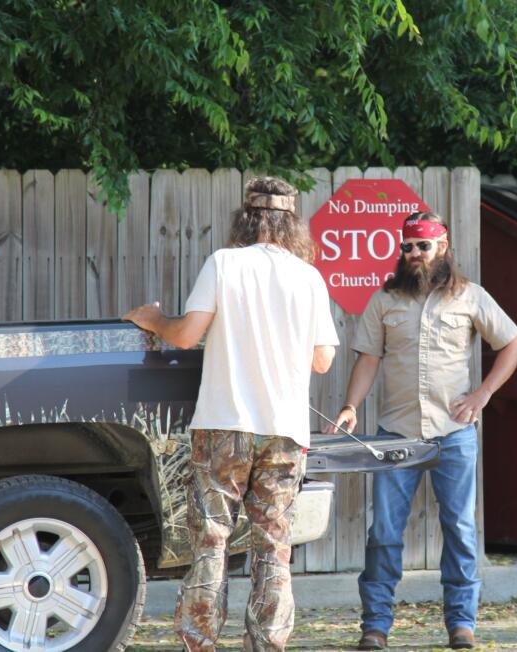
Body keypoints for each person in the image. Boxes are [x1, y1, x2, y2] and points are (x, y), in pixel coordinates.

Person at [123, 177, 339, 652]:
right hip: (284, 431)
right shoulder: (310, 277)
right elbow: (323, 360)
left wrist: (152, 319)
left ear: (246, 217)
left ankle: (199, 643)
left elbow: (184, 336)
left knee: (210, 542)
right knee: (274, 548)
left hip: (223, 425)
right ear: (292, 222)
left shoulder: (224, 263)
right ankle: (267, 645)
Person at [325, 211, 517, 650]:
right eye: (408, 247)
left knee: (459, 528)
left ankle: (461, 624)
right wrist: (350, 406)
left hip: (454, 433)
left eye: (423, 246)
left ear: (443, 246)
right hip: (396, 434)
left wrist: (482, 395)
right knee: (384, 532)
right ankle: (375, 626)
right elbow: (368, 358)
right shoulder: (384, 299)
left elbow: (513, 344)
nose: (414, 254)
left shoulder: (470, 297)